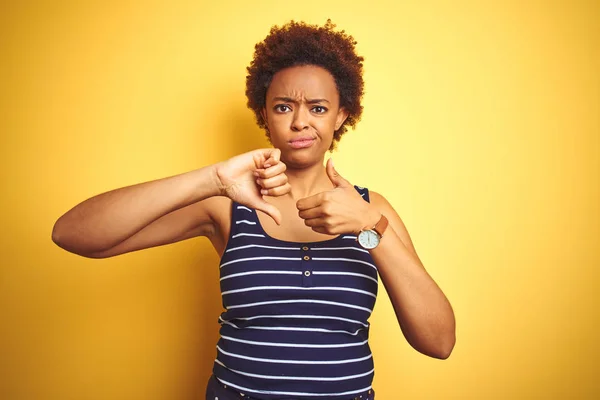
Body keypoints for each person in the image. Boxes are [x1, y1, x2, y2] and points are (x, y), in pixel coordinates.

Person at [52, 20, 455, 400]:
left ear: (341, 115)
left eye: (317, 108)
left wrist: (370, 226)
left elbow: (438, 342)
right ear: (264, 113)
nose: (300, 122)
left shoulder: (373, 209)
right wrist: (210, 179)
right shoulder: (228, 205)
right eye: (283, 107)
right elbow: (74, 234)